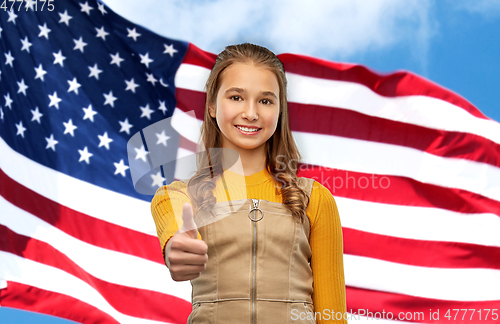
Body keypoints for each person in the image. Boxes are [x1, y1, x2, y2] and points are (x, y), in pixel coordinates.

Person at [150, 43, 347, 323]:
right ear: (212, 106)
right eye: (236, 97)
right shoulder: (178, 196)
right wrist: (178, 251)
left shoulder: (315, 199)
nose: (251, 113)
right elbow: (176, 244)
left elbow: (332, 315)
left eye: (266, 101)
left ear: (280, 111)